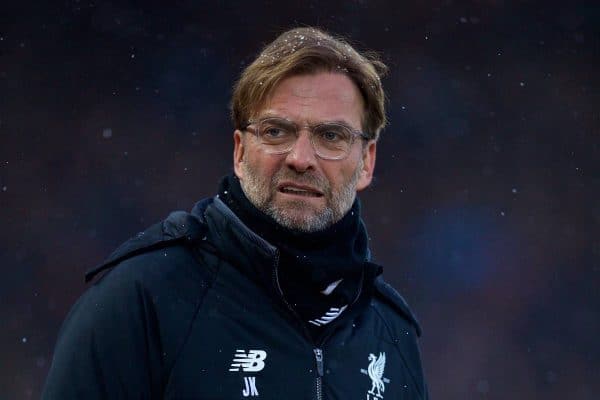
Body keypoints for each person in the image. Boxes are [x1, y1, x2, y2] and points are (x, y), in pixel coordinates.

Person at [42, 27, 429, 400]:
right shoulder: (142, 299)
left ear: (366, 162)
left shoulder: (391, 330)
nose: (300, 158)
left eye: (331, 136)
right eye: (277, 131)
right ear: (241, 152)